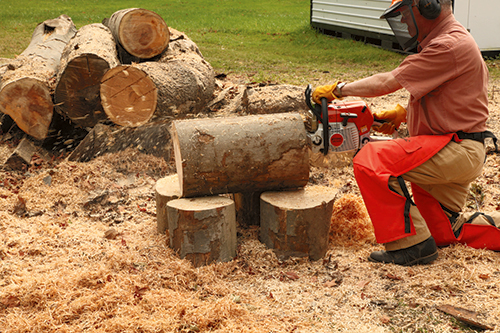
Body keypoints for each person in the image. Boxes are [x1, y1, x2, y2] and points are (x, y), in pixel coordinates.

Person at [312, 0, 499, 266]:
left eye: (403, 14)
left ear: (426, 6)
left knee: (370, 159)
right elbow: (446, 102)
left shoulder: (447, 45)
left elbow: (387, 82)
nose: (403, 23)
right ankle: (432, 237)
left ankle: (411, 244)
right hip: (457, 147)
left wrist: (339, 89)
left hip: (456, 150)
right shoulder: (451, 39)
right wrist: (403, 116)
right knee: (443, 231)